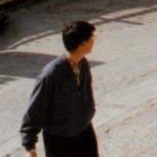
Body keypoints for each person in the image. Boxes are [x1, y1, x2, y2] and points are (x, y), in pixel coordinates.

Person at [20, 21, 99, 156]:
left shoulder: (83, 64)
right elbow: (35, 109)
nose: (94, 41)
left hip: (84, 132)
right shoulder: (51, 74)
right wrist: (30, 145)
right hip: (59, 142)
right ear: (83, 44)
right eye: (92, 38)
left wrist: (88, 112)